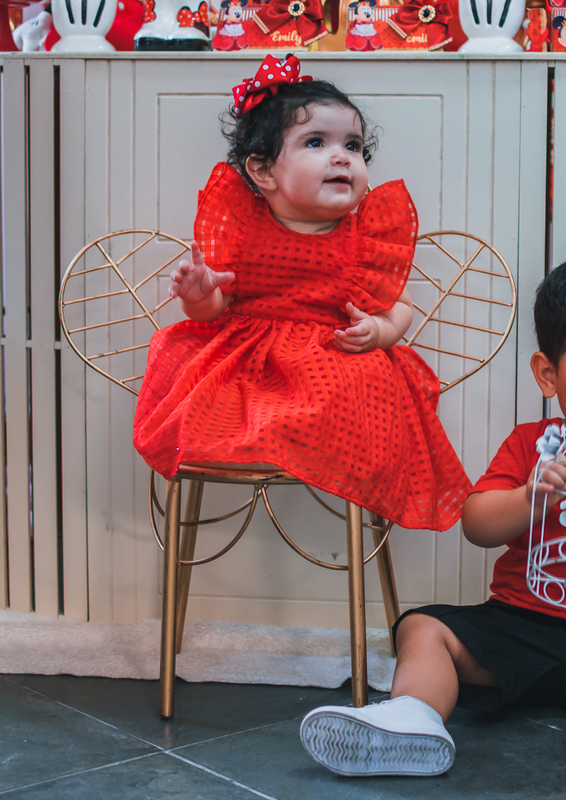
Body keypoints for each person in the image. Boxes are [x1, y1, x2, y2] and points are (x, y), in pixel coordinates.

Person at [299, 256, 566, 800]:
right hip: (521, 627)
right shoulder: (533, 443)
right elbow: (477, 524)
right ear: (548, 375)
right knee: (421, 628)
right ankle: (412, 719)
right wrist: (531, 496)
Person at [133, 54, 470, 534]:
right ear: (264, 172)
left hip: (333, 364)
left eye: (353, 146)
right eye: (316, 142)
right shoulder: (244, 229)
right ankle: (260, 437)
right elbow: (214, 310)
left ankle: (301, 445)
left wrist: (379, 330)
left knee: (349, 392)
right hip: (247, 361)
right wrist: (198, 294)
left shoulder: (364, 238)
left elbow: (399, 303)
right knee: (216, 402)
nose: (342, 157)